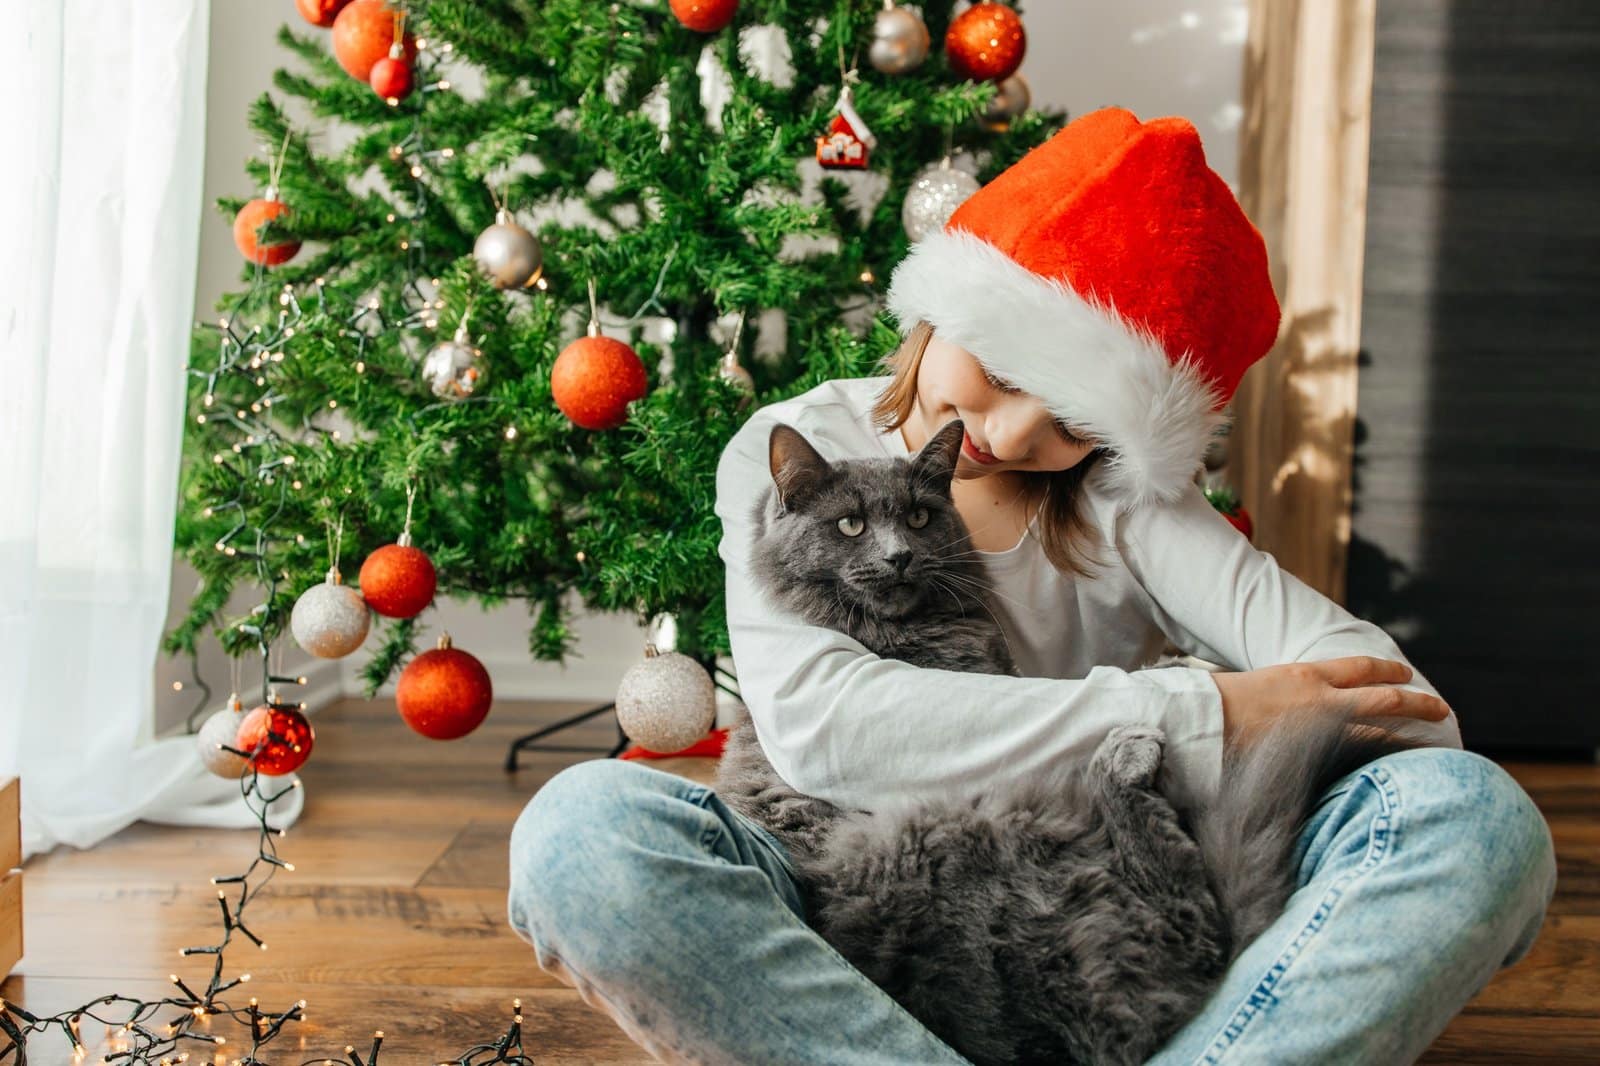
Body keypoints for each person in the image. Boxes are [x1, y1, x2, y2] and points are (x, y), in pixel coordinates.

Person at [505, 108, 1556, 1064]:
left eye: (1073, 420)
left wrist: (1206, 750)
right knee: (579, 837)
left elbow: (1414, 712)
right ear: (945, 305)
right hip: (842, 904)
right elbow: (830, 731)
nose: (1006, 438)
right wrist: (1213, 710)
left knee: (1476, 818)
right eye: (1003, 376)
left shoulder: (1123, 503)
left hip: (1097, 928)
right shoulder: (792, 455)